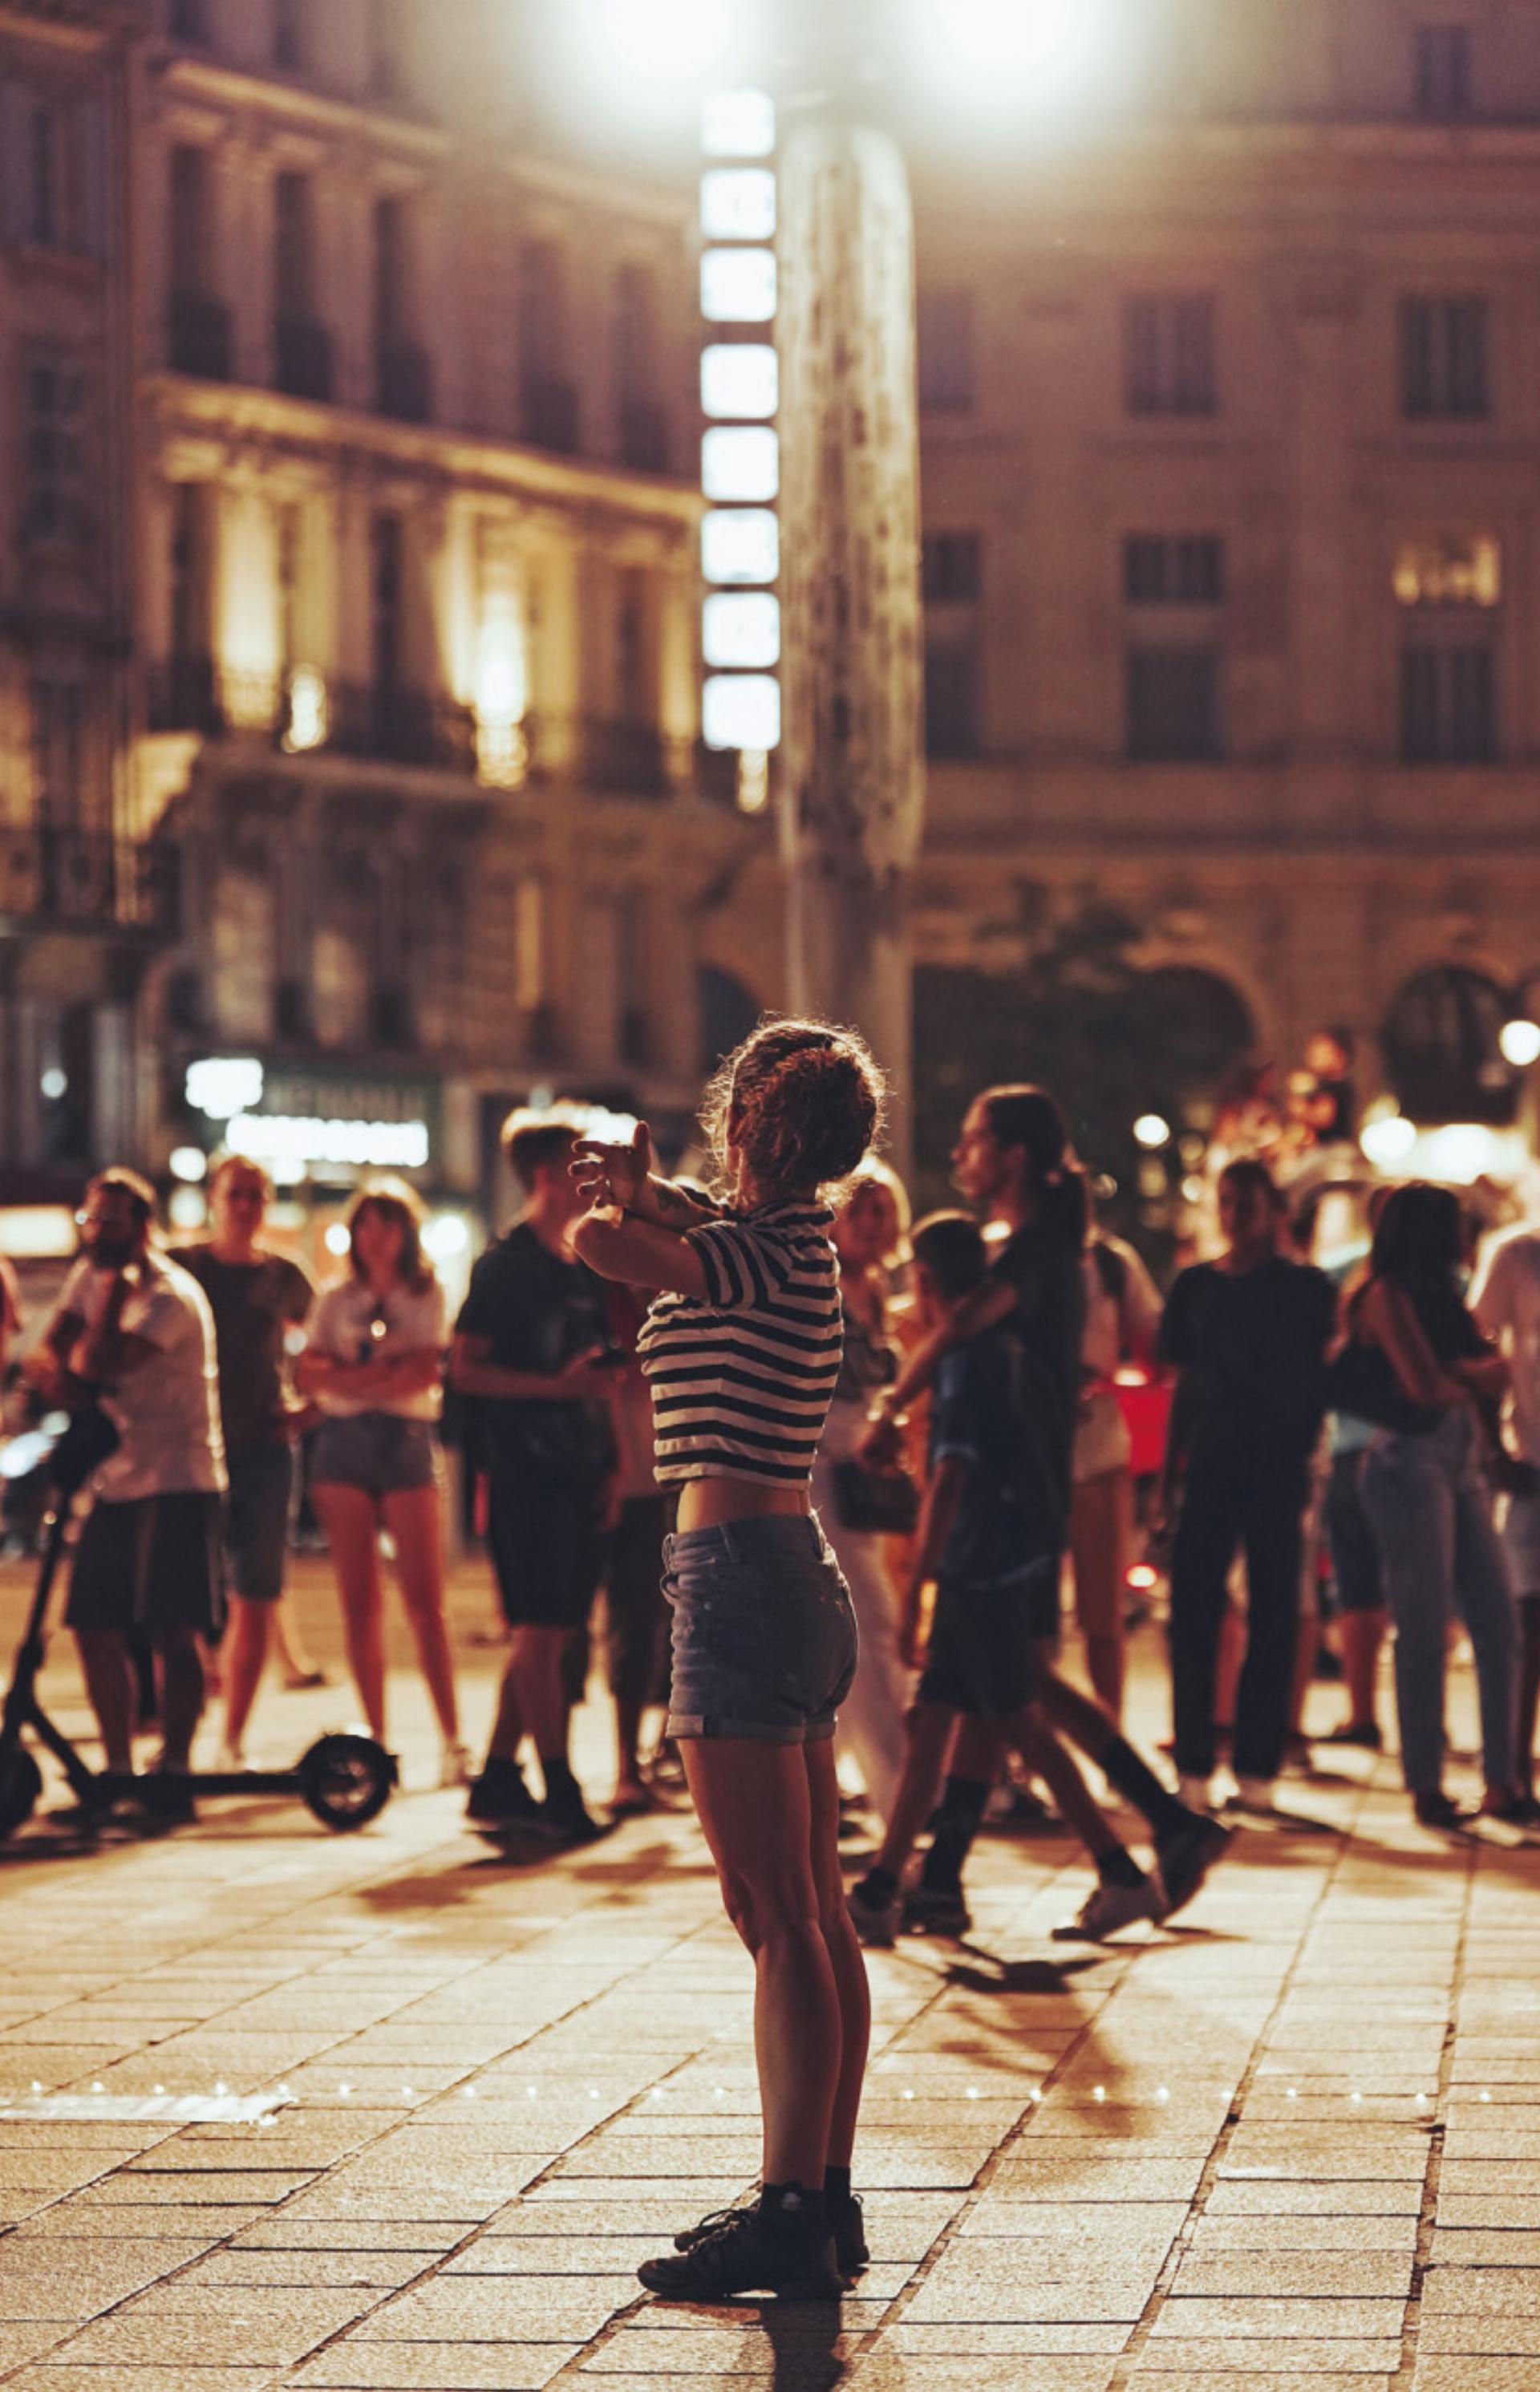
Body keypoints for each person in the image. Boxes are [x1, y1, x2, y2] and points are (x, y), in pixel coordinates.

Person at [570, 1018, 881, 2304]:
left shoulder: (746, 1252)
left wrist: (617, 1199)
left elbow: (599, 1243)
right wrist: (656, 1189)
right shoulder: (789, 1242)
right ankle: (825, 2192)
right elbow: (693, 1224)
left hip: (740, 1584)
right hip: (784, 1573)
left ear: (756, 1118)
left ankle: (792, 2207)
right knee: (814, 1905)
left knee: (775, 1913)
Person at [865, 1087, 1227, 1928]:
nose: (961, 1158)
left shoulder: (1035, 1256)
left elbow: (957, 1331)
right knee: (991, 1695)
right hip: (1025, 1505)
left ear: (1014, 1155)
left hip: (1003, 1516)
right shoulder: (1047, 1248)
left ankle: (1122, 1851)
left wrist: (890, 1412)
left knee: (1007, 1701)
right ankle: (939, 1880)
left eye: (973, 1142)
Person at [849, 1212, 1179, 1946]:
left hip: (977, 1567)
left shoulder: (967, 1362)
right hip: (1013, 1556)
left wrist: (920, 1594)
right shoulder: (1012, 1351)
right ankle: (885, 1886)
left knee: (1021, 1722)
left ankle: (1121, 1870)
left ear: (927, 1281)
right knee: (940, 1720)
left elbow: (951, 1477)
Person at [449, 1109, 620, 1843]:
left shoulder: (576, 1267)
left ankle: (497, 1777)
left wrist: (610, 1460)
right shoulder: (506, 1267)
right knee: (541, 1634)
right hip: (523, 1471)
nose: (594, 1184)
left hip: (578, 1470)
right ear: (547, 1176)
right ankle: (558, 1788)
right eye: (581, 1169)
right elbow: (463, 1367)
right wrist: (554, 1390)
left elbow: (596, 1376)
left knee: (550, 1636)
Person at [29, 1170, 225, 1807]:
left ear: (143, 1228)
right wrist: (60, 1372)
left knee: (173, 1626)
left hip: (177, 1474)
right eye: (91, 1220)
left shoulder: (171, 1296)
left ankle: (174, 1766)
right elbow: (50, 1355)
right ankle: (116, 1766)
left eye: (111, 1222)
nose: (97, 1233)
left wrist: (107, 1300)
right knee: (93, 1621)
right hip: (117, 1476)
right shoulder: (87, 1276)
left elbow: (105, 1363)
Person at [1157, 1157, 1338, 1812]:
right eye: (1226, 1201)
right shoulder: (1196, 1286)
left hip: (1278, 1464)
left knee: (1274, 1615)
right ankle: (1196, 1767)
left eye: (1247, 1202)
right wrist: (1163, 1485)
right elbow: (1182, 1388)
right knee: (1193, 1616)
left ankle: (1258, 1768)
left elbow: (1322, 1372)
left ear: (1274, 1210)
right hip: (1210, 1462)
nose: (1234, 1214)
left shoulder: (1307, 1288)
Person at [1343, 1182, 1520, 1826]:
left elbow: (1482, 1373)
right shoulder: (1386, 1294)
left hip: (1456, 1458)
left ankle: (1502, 1781)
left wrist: (1469, 1377)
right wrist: (1473, 1374)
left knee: (1498, 1622)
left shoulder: (1444, 1296)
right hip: (1406, 1461)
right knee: (1422, 1626)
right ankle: (1426, 1783)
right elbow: (1425, 1386)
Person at [297, 1182, 464, 1781]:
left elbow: (423, 1371)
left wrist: (349, 1380)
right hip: (344, 1446)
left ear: (406, 1231)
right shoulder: (334, 1297)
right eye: (366, 1224)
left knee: (425, 1600)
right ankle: (377, 1742)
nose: (376, 1235)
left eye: (387, 1223)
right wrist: (377, 1376)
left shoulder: (428, 1293)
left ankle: (451, 1740)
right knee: (359, 1602)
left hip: (405, 1441)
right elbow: (308, 1372)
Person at [169, 1157, 314, 1766]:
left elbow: (323, 1345)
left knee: (257, 1592)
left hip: (264, 1451)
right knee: (181, 1597)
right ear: (214, 1199)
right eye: (236, 1194)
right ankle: (180, 1734)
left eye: (257, 1195)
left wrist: (310, 1405)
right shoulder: (184, 1267)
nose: (246, 1205)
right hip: (190, 1451)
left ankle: (232, 1739)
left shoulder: (285, 1276)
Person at [809, 1162, 914, 1830]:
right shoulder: (827, 1286)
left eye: (882, 1211)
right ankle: (898, 1794)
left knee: (854, 1629)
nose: (873, 1224)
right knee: (872, 1627)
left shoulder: (880, 1292)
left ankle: (838, 1784)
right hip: (828, 1470)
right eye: (861, 1211)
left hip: (866, 1473)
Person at [1072, 1221, 1162, 1720]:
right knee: (1024, 1622)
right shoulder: (999, 1250)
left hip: (1096, 1447)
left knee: (1103, 1615)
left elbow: (1156, 1344)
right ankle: (1012, 1765)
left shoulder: (1109, 1260)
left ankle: (1111, 1752)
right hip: (1025, 1453)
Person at [1471, 1215, 1540, 1810]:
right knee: (1521, 1622)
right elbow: (1474, 1351)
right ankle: (1510, 1773)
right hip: (1531, 1464)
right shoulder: (1518, 1254)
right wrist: (1493, 1448)